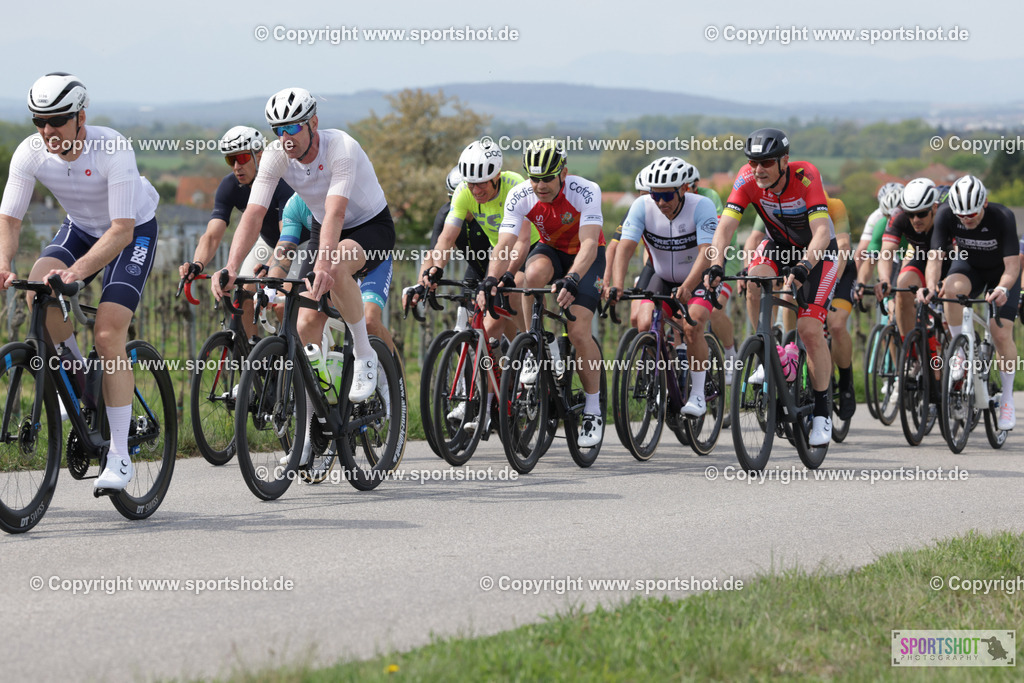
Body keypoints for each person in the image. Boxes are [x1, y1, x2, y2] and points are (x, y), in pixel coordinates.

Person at [213, 87, 396, 465]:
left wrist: (326, 265)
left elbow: (336, 213)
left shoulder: (340, 148)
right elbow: (252, 213)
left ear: (313, 122)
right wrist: (232, 266)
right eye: (278, 129)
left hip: (368, 227)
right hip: (321, 229)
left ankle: (364, 354)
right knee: (305, 324)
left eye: (293, 126)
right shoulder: (278, 155)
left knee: (338, 264)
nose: (286, 136)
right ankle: (310, 436)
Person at [0, 73, 160, 491]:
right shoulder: (32, 152)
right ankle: (80, 381)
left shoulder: (112, 147)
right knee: (39, 289)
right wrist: (3, 263)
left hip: (131, 231)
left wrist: (76, 272)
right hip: (82, 228)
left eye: (57, 120)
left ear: (80, 118)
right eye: (40, 120)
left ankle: (120, 456)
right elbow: (10, 218)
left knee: (108, 333)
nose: (47, 130)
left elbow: (122, 230)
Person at [704, 128, 838, 446]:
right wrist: (716, 264)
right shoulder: (747, 179)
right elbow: (725, 227)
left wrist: (805, 266)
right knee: (754, 278)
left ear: (784, 161)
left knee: (808, 330)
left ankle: (822, 413)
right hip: (778, 245)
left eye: (766, 162)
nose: (758, 169)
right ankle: (769, 352)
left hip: (818, 253)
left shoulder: (806, 176)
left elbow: (821, 232)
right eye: (753, 162)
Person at [478, 138, 606, 448]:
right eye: (534, 178)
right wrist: (492, 278)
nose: (540, 185)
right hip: (551, 250)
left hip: (587, 258)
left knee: (577, 332)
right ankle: (535, 345)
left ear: (563, 172)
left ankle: (592, 408)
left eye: (547, 178)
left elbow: (589, 243)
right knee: (529, 277)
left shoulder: (585, 191)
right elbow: (506, 243)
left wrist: (573, 279)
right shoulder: (520, 194)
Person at [609, 156, 718, 416]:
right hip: (663, 276)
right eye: (655, 195)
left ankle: (697, 394)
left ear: (682, 190)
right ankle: (665, 375)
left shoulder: (702, 205)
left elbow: (707, 252)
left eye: (667, 196)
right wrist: (617, 285)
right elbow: (624, 248)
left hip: (698, 277)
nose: (660, 203)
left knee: (692, 326)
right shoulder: (642, 206)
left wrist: (690, 285)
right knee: (644, 324)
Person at [179, 126, 304, 340]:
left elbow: (286, 236)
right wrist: (197, 263)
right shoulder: (230, 186)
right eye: (231, 160)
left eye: (243, 157)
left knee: (283, 306)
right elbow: (212, 235)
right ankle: (255, 359)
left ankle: (297, 365)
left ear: (260, 156)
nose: (237, 166)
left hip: (299, 246)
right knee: (242, 294)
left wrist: (272, 267)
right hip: (267, 243)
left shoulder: (282, 183)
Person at [921, 175, 1019, 430]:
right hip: (970, 267)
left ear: (984, 203)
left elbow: (1012, 266)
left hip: (1002, 273)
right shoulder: (945, 214)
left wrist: (1002, 288)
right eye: (961, 216)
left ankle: (1007, 399)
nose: (966, 220)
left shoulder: (1002, 216)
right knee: (950, 290)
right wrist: (931, 287)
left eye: (972, 214)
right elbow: (935, 257)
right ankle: (960, 352)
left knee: (999, 333)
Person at [418, 139, 540, 338]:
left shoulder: (516, 186)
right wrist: (437, 268)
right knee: (488, 326)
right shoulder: (462, 192)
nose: (475, 191)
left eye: (482, 183)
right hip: (501, 250)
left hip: (532, 247)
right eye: (471, 183)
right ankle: (504, 354)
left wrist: (506, 274)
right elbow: (446, 238)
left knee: (513, 288)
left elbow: (522, 241)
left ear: (497, 176)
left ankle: (533, 344)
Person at [283, 193, 395, 353]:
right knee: (306, 322)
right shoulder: (295, 204)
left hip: (370, 256)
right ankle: (319, 377)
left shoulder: (346, 188)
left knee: (369, 321)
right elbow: (285, 248)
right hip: (328, 256)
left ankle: (387, 375)